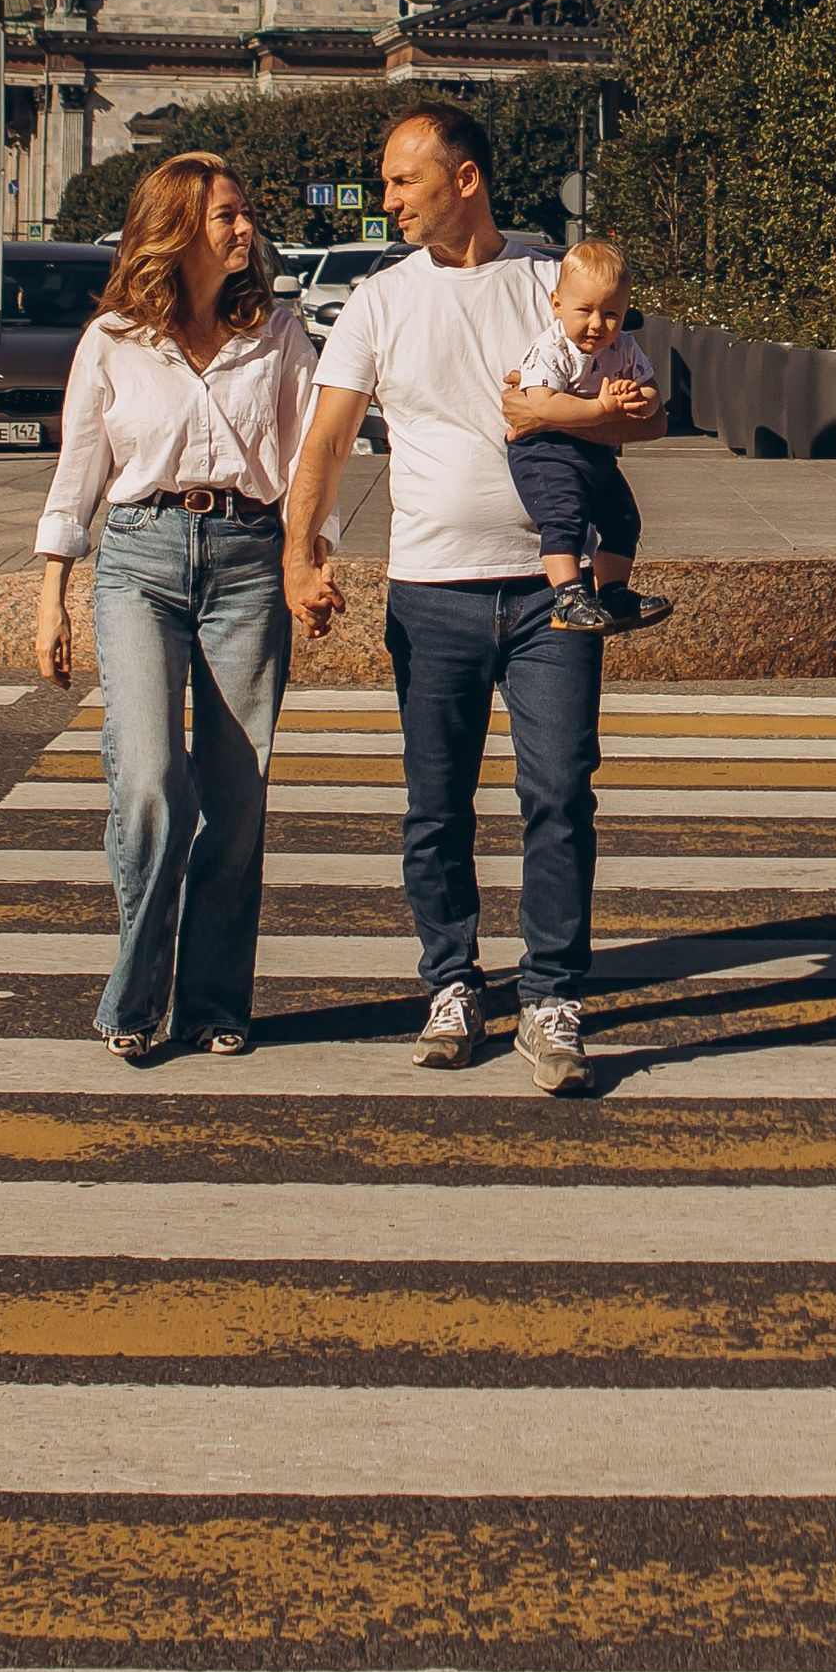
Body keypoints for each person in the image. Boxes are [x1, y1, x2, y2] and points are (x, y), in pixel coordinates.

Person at [282, 103, 667, 1095]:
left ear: (465, 180)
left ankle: (550, 996)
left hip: (551, 595)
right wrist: (304, 552)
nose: (388, 201)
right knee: (434, 808)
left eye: (403, 181)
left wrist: (556, 410)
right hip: (430, 589)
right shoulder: (377, 301)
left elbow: (641, 416)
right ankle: (451, 980)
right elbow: (326, 443)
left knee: (557, 795)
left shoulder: (553, 286)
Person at [32, 151, 329, 1063]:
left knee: (237, 799)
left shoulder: (279, 333)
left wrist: (306, 560)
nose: (247, 230)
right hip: (141, 560)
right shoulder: (115, 339)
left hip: (247, 560)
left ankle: (213, 1002)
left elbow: (310, 457)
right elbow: (78, 472)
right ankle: (138, 986)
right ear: (178, 227)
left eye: (246, 213)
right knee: (154, 781)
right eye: (228, 216)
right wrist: (52, 596)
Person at [504, 233, 674, 632]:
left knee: (623, 516)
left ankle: (613, 590)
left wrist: (637, 398)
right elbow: (542, 406)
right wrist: (602, 409)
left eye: (612, 314)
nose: (598, 324)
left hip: (594, 455)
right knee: (564, 518)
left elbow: (652, 395)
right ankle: (567, 596)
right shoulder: (551, 349)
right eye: (586, 311)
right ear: (557, 304)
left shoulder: (625, 348)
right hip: (544, 451)